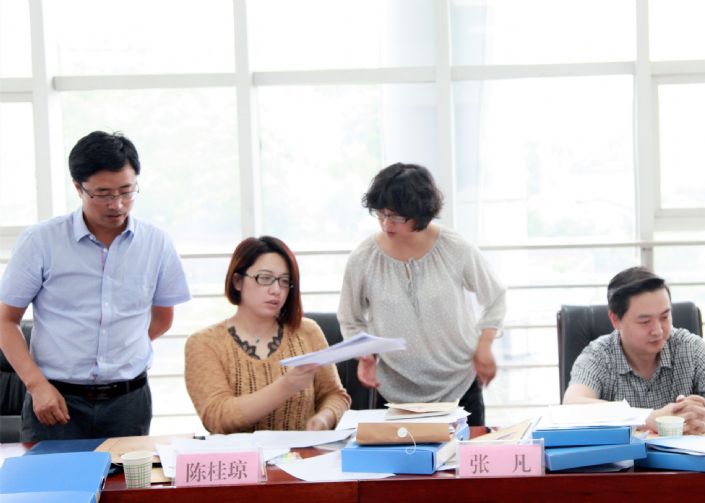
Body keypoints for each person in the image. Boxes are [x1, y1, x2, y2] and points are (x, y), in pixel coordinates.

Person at [0, 131, 191, 441]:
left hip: (128, 401)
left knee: (128, 475)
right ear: (78, 187)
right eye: (103, 193)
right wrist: (37, 385)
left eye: (127, 191)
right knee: (51, 474)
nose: (117, 204)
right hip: (55, 398)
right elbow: (5, 321)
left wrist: (122, 348)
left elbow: (163, 318)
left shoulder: (156, 243)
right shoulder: (41, 242)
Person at [338, 163, 506, 427]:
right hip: (393, 390)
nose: (386, 223)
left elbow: (495, 297)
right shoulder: (363, 258)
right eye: (380, 213)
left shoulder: (455, 249)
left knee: (464, 453)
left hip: (459, 385)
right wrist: (365, 354)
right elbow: (350, 319)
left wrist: (484, 345)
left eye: (395, 217)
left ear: (419, 212)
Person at [185, 236, 351, 433]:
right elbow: (218, 418)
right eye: (264, 278)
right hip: (241, 453)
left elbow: (335, 395)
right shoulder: (204, 343)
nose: (276, 290)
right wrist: (286, 386)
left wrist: (323, 420)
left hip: (303, 451)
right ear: (237, 281)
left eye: (284, 281)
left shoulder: (308, 331)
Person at [563, 266, 705, 434]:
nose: (658, 330)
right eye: (645, 321)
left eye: (664, 317)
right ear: (615, 320)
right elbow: (572, 405)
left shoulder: (689, 347)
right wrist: (649, 418)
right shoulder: (598, 355)